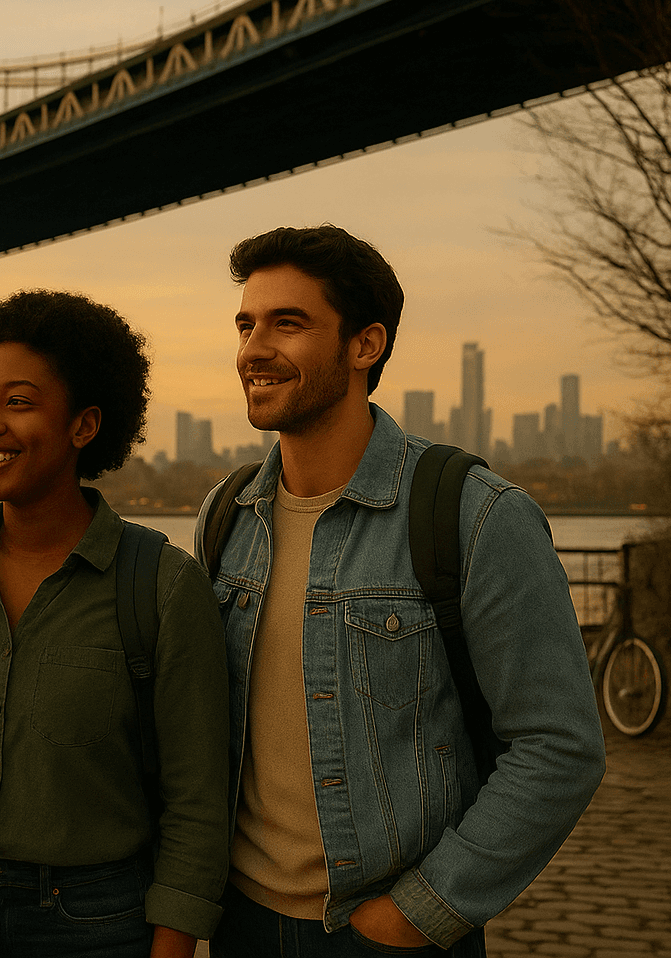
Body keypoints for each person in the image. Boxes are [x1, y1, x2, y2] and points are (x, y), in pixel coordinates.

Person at [201, 225, 606, 956]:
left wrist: (416, 915)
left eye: (287, 323)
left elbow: (559, 744)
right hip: (240, 927)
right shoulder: (226, 516)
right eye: (245, 324)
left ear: (366, 345)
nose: (253, 349)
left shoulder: (476, 515)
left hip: (389, 933)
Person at [0, 290, 230, 958]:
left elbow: (196, 805)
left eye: (18, 402)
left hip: (97, 926)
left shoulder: (162, 587)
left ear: (84, 426)